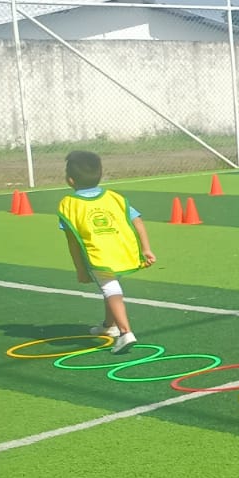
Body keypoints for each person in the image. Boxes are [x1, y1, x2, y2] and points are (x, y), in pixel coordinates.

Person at [58, 150, 157, 355]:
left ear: (70, 180)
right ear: (100, 174)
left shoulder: (69, 205)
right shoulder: (114, 197)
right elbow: (137, 221)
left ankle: (125, 332)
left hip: (99, 255)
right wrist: (146, 249)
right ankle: (108, 325)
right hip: (122, 251)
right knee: (110, 286)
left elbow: (73, 241)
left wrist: (80, 269)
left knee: (110, 287)